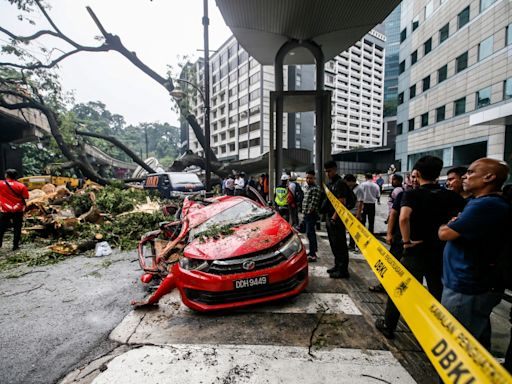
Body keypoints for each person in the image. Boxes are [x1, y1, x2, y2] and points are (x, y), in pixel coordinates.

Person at [375, 156, 465, 339]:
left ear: (419, 173)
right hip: (440, 251)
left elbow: (403, 217)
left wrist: (407, 241)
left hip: (415, 251)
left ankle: (388, 325)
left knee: (400, 289)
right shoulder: (452, 197)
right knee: (437, 291)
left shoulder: (412, 194)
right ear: (438, 173)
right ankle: (439, 331)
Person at [438, 158, 511, 350]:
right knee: (476, 341)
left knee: (457, 347)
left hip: (466, 288)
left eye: (470, 172)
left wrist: (447, 225)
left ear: (489, 177)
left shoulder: (486, 205)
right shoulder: (480, 203)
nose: (465, 177)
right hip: (467, 284)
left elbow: (445, 233)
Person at [370, 171, 416, 293]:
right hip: (399, 233)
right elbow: (393, 212)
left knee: (397, 262)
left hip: (405, 236)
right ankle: (387, 285)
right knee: (394, 261)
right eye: (412, 177)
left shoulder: (400, 192)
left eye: (416, 177)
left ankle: (389, 286)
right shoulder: (402, 193)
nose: (413, 180)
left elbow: (397, 214)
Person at [320, 160, 351, 279]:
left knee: (340, 244)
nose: (328, 174)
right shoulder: (331, 183)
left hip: (336, 219)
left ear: (335, 170)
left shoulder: (340, 183)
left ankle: (343, 270)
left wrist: (333, 218)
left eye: (329, 171)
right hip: (330, 217)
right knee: (333, 244)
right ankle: (337, 265)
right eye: (326, 172)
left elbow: (341, 202)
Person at [0, 169, 29, 251]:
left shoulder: (1, 184)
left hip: (5, 210)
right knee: (17, 228)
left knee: (1, 228)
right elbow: (26, 197)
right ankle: (15, 246)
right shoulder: (21, 186)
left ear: (6, 175)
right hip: (17, 210)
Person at [302, 170, 322, 262]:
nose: (308, 179)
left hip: (311, 214)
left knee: (310, 234)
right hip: (307, 214)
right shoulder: (308, 188)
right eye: (307, 178)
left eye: (310, 178)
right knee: (309, 234)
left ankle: (313, 254)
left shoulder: (315, 188)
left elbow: (313, 204)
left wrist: (308, 213)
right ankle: (312, 252)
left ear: (314, 178)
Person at [343, 174, 363, 252]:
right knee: (351, 230)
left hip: (355, 213)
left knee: (356, 231)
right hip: (350, 212)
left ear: (352, 181)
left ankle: (357, 246)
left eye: (347, 182)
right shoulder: (350, 188)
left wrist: (358, 214)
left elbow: (360, 202)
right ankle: (351, 245)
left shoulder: (359, 189)